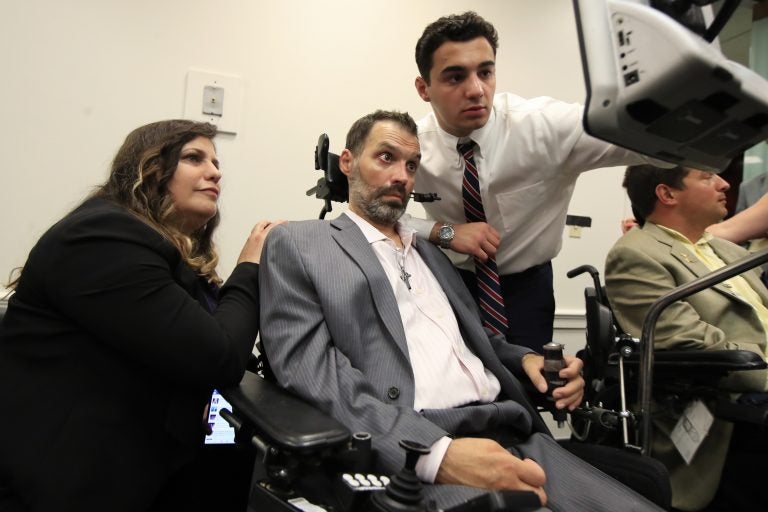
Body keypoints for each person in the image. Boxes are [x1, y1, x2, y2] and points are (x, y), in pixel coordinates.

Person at [259, 110, 663, 511]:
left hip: (513, 432)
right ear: (347, 163)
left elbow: (477, 339)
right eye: (386, 158)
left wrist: (527, 361)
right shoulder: (301, 243)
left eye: (412, 165)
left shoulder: (433, 255)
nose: (401, 175)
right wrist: (433, 453)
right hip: (416, 442)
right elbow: (313, 373)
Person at [0, 120, 281, 512]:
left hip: (150, 469)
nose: (215, 171)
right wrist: (250, 266)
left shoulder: (173, 263)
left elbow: (201, 365)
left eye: (215, 162)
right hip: (71, 483)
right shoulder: (103, 235)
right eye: (194, 158)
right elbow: (219, 356)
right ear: (150, 168)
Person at [403, 11, 664, 352]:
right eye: (455, 78)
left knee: (527, 388)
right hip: (449, 282)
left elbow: (654, 144)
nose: (476, 90)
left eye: (485, 72)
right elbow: (371, 213)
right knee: (456, 389)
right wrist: (444, 232)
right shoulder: (410, 145)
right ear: (424, 88)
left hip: (528, 287)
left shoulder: (545, 128)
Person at [605, 164, 768, 511]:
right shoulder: (636, 254)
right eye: (708, 177)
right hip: (731, 399)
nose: (725, 183)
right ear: (667, 194)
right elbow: (689, 344)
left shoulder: (727, 251)